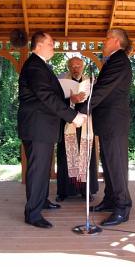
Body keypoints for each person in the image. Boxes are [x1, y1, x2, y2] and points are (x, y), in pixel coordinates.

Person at [18, 32, 86, 229]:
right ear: (38, 45)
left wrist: (69, 101)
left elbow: (48, 97)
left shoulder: (40, 66)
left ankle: (42, 200)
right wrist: (72, 115)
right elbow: (45, 96)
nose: (53, 46)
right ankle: (33, 213)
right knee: (38, 170)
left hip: (43, 127)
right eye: (50, 43)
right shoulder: (35, 66)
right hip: (37, 126)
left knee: (43, 169)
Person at [86, 29, 133, 226]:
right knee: (108, 162)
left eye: (105, 39)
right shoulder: (113, 61)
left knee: (117, 165)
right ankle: (110, 199)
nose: (103, 43)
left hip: (114, 122)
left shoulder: (119, 61)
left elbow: (102, 90)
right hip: (107, 122)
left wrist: (83, 108)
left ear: (115, 41)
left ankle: (123, 206)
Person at [56, 57, 99, 202]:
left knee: (86, 157)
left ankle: (86, 191)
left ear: (83, 67)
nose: (76, 69)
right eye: (73, 66)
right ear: (68, 67)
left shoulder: (90, 81)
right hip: (68, 123)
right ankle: (64, 191)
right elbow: (56, 102)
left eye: (78, 66)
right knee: (65, 158)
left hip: (85, 124)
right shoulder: (62, 81)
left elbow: (96, 101)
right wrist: (71, 101)